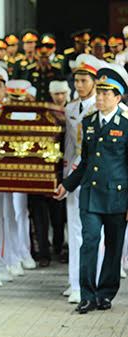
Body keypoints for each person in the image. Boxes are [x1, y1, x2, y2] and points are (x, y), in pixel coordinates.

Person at [54, 62, 128, 314]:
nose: (100, 97)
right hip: (91, 194)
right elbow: (85, 161)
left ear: (118, 96)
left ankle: (106, 293)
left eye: (106, 93)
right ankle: (87, 294)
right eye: (99, 92)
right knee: (89, 242)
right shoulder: (89, 122)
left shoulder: (126, 122)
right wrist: (67, 184)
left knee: (113, 246)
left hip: (118, 196)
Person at [63, 54, 101, 304]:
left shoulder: (100, 107)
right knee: (74, 227)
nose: (79, 85)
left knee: (93, 233)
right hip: (74, 172)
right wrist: (65, 173)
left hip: (93, 175)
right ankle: (74, 282)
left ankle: (91, 281)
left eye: (84, 80)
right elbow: (69, 144)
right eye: (76, 80)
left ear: (95, 82)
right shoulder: (71, 107)